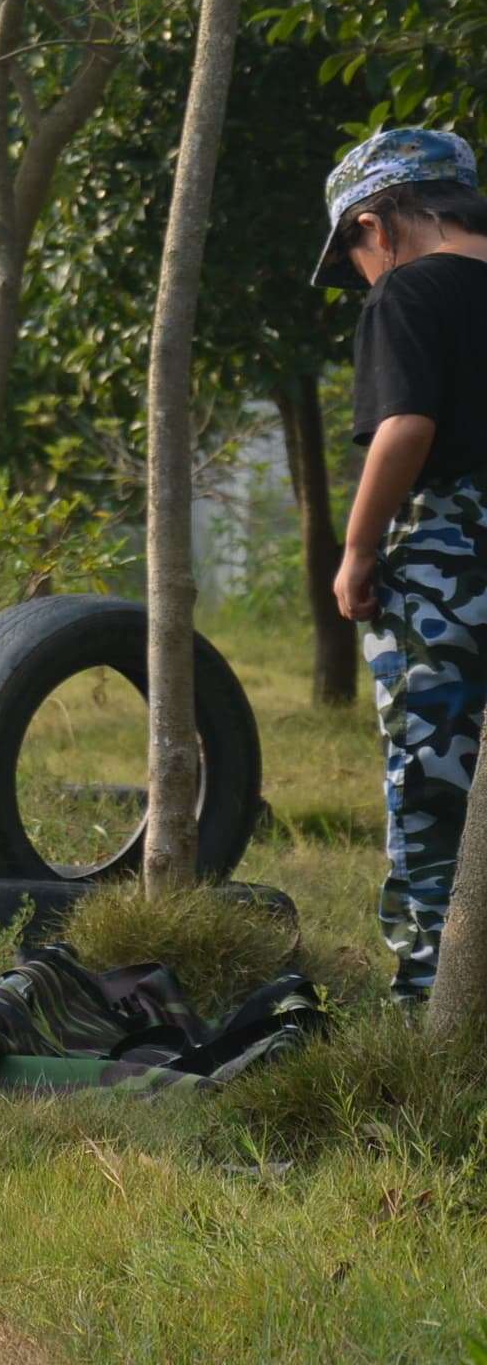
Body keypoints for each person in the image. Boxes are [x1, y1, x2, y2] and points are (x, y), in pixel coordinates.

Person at [315, 127, 487, 1005]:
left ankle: (430, 1002)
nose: (360, 274)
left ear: (377, 226)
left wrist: (356, 550)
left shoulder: (410, 294)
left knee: (433, 778)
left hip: (448, 560)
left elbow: (406, 427)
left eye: (353, 254)